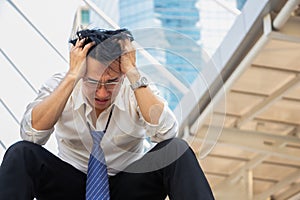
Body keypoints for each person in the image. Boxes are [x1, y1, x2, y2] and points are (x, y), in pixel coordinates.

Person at [0, 28, 214, 200]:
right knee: (21, 152)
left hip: (127, 187)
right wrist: (73, 75)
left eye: (111, 82)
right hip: (70, 187)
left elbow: (166, 133)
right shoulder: (62, 84)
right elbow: (32, 135)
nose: (102, 93)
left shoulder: (136, 86)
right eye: (93, 82)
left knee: (175, 149)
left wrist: (132, 71)